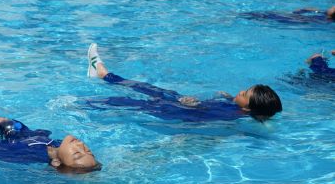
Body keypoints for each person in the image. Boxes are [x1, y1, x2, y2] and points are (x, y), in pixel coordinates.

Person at [86, 44, 282, 122]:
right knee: (149, 88)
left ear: (247, 108)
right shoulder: (240, 109)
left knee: (134, 103)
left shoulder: (230, 114)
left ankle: (85, 104)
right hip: (179, 105)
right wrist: (229, 97)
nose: (240, 91)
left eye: (244, 94)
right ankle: (104, 74)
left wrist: (193, 104)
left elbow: (204, 113)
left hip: (174, 110)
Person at [239, 5, 335, 24]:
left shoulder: (325, 20)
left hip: (295, 20)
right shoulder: (324, 14)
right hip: (295, 18)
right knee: (266, 15)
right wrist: (304, 10)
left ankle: (236, 15)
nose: (332, 5)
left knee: (265, 16)